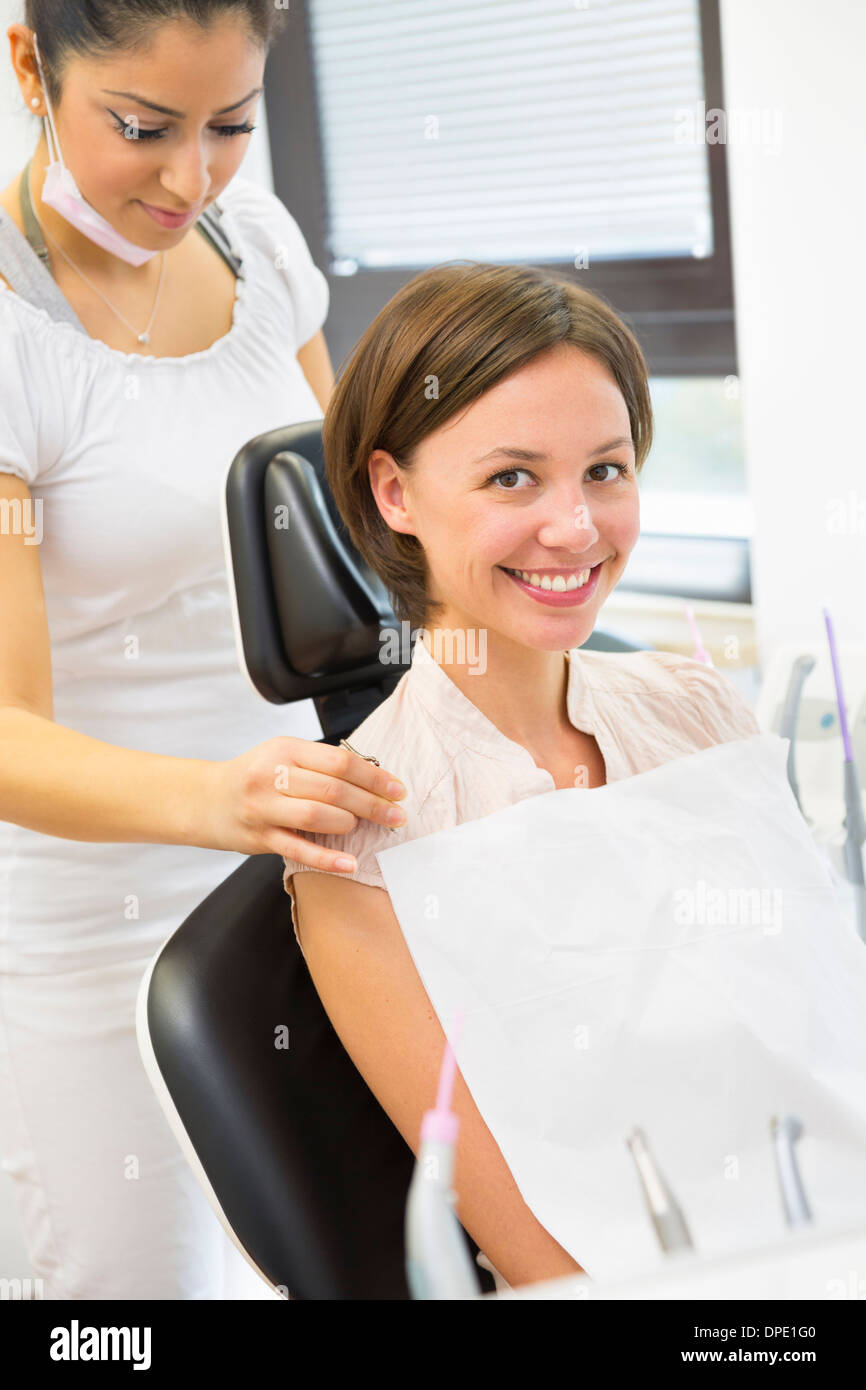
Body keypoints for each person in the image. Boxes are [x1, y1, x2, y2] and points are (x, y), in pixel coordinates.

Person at [0, 2, 408, 1300]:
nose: (192, 177)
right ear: (27, 64)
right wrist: (219, 798)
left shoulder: (262, 247)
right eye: (143, 128)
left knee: (365, 1255)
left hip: (311, 868)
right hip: (91, 915)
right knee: (136, 1301)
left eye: (230, 124)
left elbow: (360, 553)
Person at [280, 262, 762, 1294]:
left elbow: (799, 1015)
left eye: (604, 468)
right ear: (394, 491)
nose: (576, 528)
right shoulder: (364, 837)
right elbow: (535, 1251)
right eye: (511, 477)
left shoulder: (696, 710)